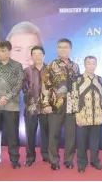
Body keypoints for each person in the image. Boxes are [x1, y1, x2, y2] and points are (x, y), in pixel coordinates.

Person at [41, 38, 80, 170]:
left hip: (71, 107)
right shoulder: (51, 65)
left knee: (71, 136)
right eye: (60, 47)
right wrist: (45, 104)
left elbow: (77, 87)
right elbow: (45, 85)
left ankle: (68, 160)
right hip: (54, 106)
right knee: (54, 135)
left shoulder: (75, 66)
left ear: (70, 49)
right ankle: (54, 161)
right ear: (57, 49)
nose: (63, 49)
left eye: (66, 47)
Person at [0, 40, 24, 171]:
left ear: (9, 51)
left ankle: (14, 160)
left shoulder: (17, 65)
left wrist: (6, 97)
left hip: (11, 105)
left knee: (12, 135)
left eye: (4, 50)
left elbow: (19, 84)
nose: (2, 53)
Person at [72, 56, 102, 173]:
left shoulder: (100, 80)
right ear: (85, 64)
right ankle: (82, 163)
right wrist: (77, 114)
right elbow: (74, 97)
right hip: (83, 116)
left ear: (96, 65)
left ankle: (95, 161)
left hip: (96, 116)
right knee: (81, 142)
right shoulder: (78, 80)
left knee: (95, 142)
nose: (91, 65)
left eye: (93, 63)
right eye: (88, 63)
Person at [23, 46, 49, 167]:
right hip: (31, 107)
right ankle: (30, 156)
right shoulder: (26, 70)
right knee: (30, 133)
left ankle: (46, 154)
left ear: (44, 55)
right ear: (31, 56)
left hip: (46, 107)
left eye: (40, 54)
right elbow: (23, 87)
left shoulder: (50, 70)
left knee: (46, 132)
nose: (37, 57)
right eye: (35, 54)